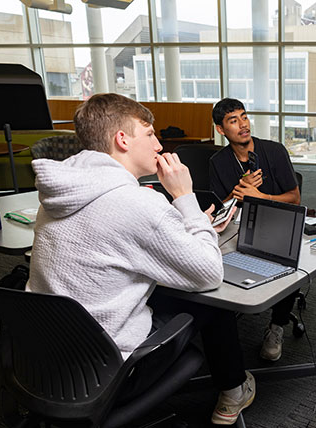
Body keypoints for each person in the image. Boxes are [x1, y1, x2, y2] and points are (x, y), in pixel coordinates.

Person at [27, 93, 254, 426]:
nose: (159, 145)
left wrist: (176, 222)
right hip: (108, 371)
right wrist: (185, 198)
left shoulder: (60, 192)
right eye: (149, 134)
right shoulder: (138, 205)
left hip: (46, 360)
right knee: (213, 303)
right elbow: (209, 272)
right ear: (123, 140)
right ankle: (234, 390)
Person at [208, 98, 302, 363]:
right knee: (213, 259)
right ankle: (225, 321)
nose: (243, 124)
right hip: (238, 225)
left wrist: (259, 196)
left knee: (287, 265)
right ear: (221, 129)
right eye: (233, 120)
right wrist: (238, 190)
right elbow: (219, 207)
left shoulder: (273, 150)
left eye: (244, 117)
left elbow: (294, 197)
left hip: (277, 222)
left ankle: (277, 326)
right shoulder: (219, 161)